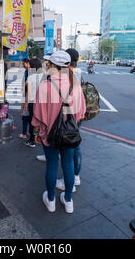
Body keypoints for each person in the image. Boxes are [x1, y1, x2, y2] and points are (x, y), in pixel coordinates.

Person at [32, 51, 86, 214]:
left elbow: (37, 114)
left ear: (54, 66)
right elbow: (81, 113)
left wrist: (36, 131)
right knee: (68, 165)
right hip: (69, 135)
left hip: (48, 134)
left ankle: (50, 200)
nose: (47, 67)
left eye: (49, 65)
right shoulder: (75, 85)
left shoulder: (45, 86)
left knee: (52, 165)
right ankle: (68, 201)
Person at [23, 58, 44, 147]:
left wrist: (26, 105)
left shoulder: (31, 77)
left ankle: (32, 141)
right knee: (42, 121)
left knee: (33, 121)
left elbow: (29, 92)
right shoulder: (45, 76)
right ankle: (42, 138)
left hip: (33, 102)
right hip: (43, 102)